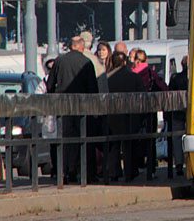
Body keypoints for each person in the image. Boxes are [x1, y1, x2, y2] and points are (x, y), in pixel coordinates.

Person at [46, 36, 99, 183]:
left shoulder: (60, 61)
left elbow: (50, 85)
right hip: (82, 108)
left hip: (63, 108)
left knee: (65, 141)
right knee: (84, 140)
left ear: (71, 47)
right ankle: (84, 173)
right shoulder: (86, 63)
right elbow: (93, 88)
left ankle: (64, 173)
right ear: (81, 47)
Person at [104, 50, 147, 181]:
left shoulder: (107, 79)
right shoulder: (134, 77)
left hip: (113, 116)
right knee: (129, 146)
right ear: (125, 62)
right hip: (130, 116)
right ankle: (130, 172)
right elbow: (142, 95)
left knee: (114, 146)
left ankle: (113, 172)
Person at [130, 49, 168, 178]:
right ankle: (150, 169)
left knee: (133, 140)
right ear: (146, 60)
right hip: (150, 110)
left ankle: (134, 168)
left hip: (133, 111)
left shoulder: (131, 73)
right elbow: (163, 87)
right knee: (150, 139)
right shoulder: (151, 73)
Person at [167, 55, 188, 176]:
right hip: (190, 112)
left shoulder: (175, 78)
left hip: (177, 112)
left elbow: (170, 94)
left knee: (176, 137)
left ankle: (178, 165)